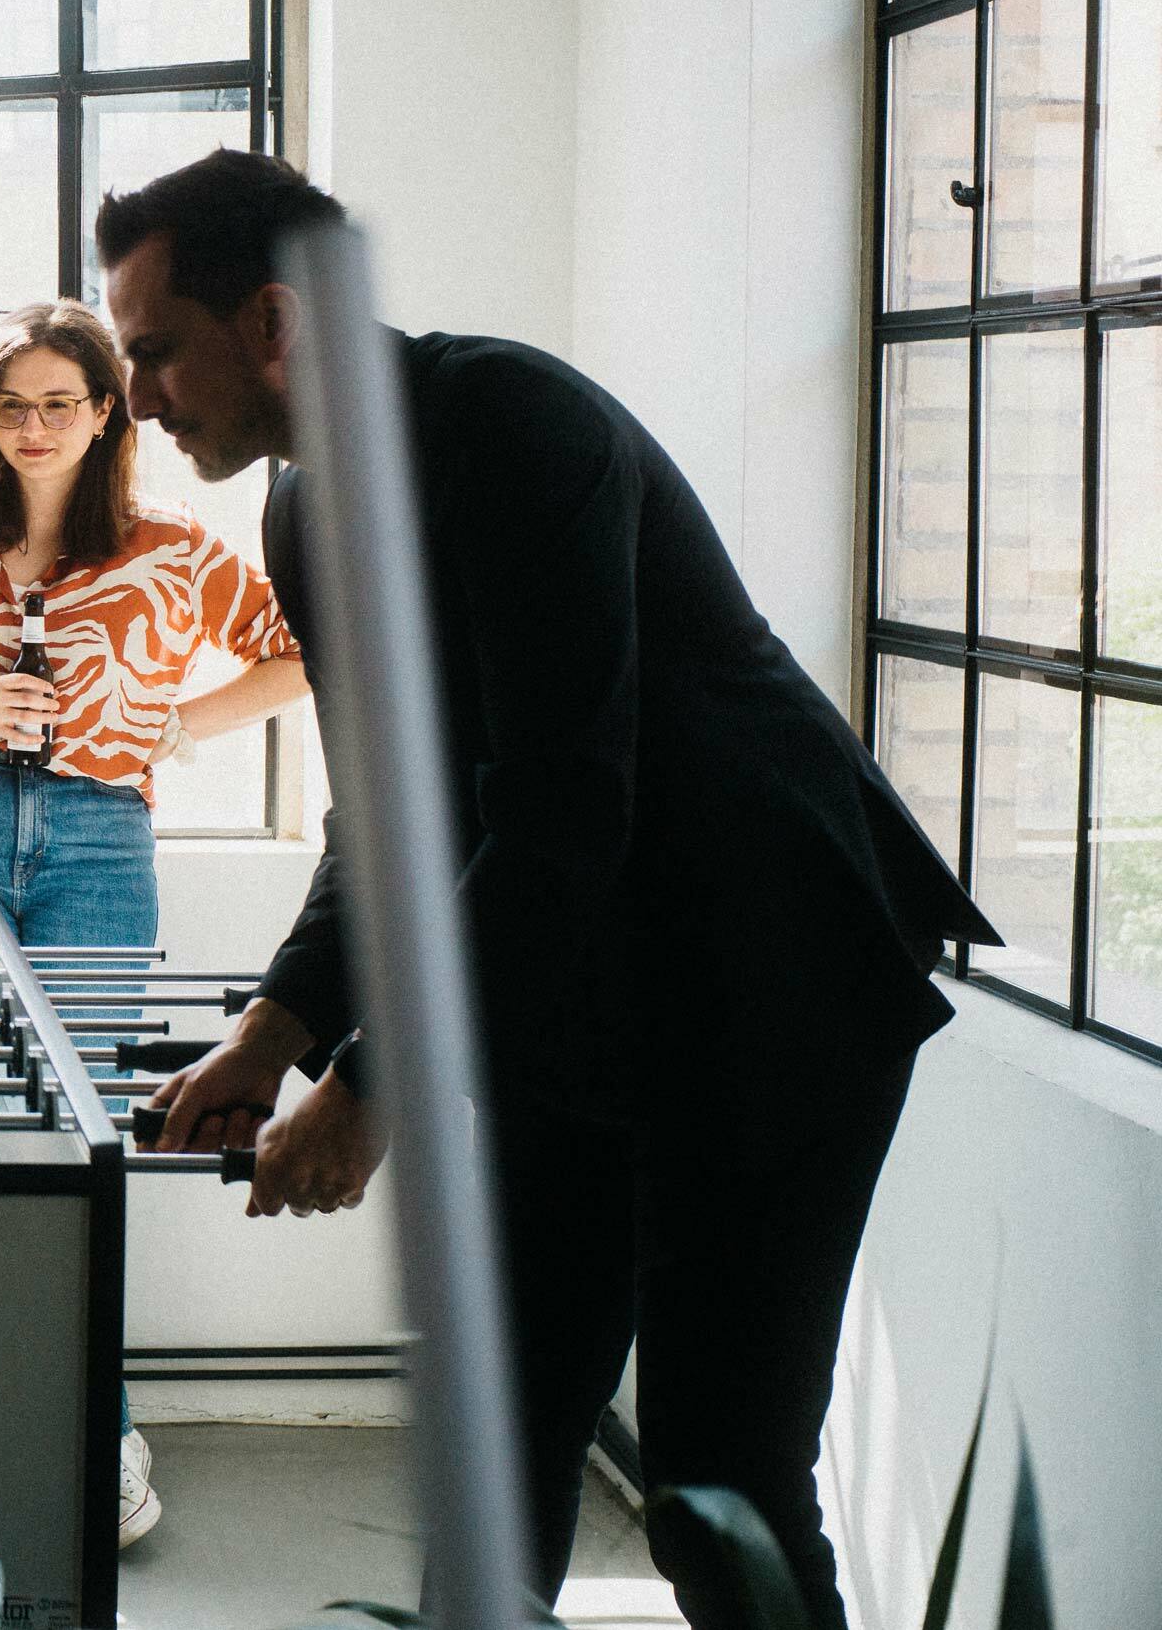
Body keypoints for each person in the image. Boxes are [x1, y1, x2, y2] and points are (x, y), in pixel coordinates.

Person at [107, 150, 998, 1630]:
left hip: (770, 994)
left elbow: (563, 810)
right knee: (494, 1460)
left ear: (269, 321)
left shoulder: (517, 426)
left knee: (723, 1500)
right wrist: (275, 1030)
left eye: (152, 355)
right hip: (576, 999)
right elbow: (384, 814)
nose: (138, 400)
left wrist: (375, 1085)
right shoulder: (298, 513)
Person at [0, 299, 309, 1554]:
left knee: (75, 1133)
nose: (34, 426)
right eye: (12, 403)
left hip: (98, 837)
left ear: (105, 413)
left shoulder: (169, 544)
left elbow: (304, 649)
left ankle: (97, 1426)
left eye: (60, 403)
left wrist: (185, 726)